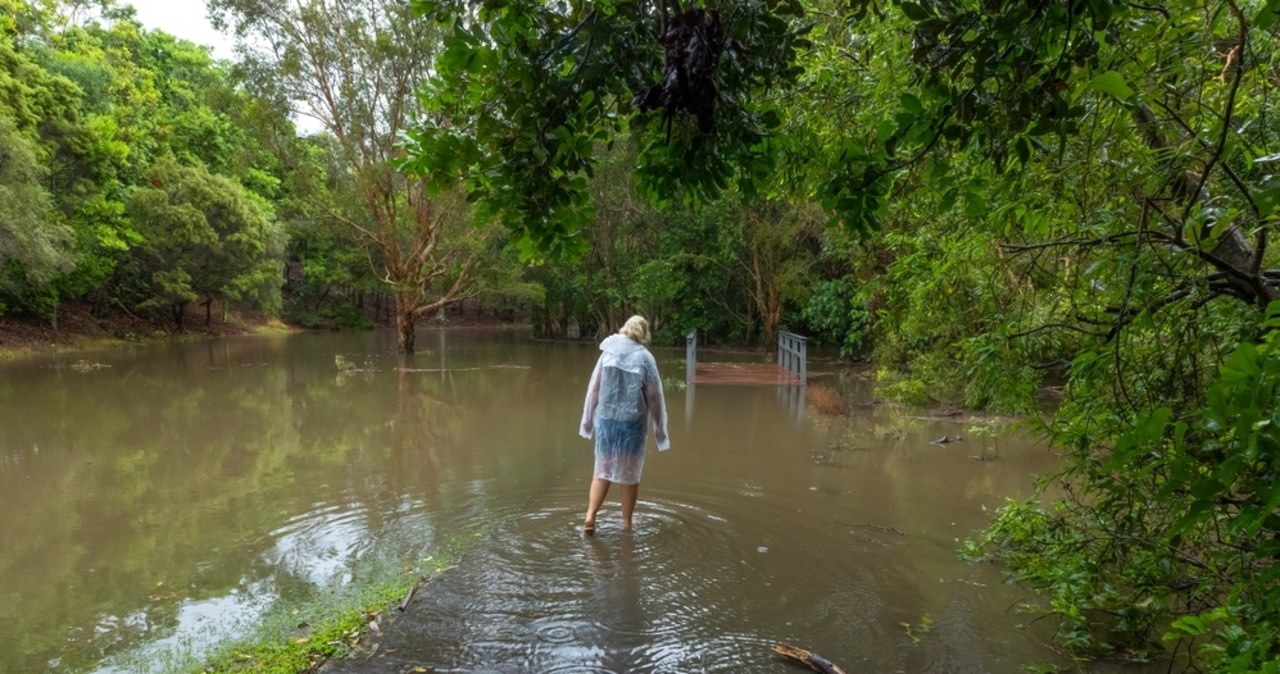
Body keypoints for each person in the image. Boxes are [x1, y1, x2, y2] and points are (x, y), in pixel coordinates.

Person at [579, 315, 670, 533]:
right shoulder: (645, 358)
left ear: (624, 329)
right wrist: (660, 429)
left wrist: (588, 420)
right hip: (632, 423)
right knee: (629, 475)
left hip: (607, 421)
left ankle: (590, 515)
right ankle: (627, 523)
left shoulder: (607, 353)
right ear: (644, 334)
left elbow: (595, 389)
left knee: (602, 470)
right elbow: (654, 396)